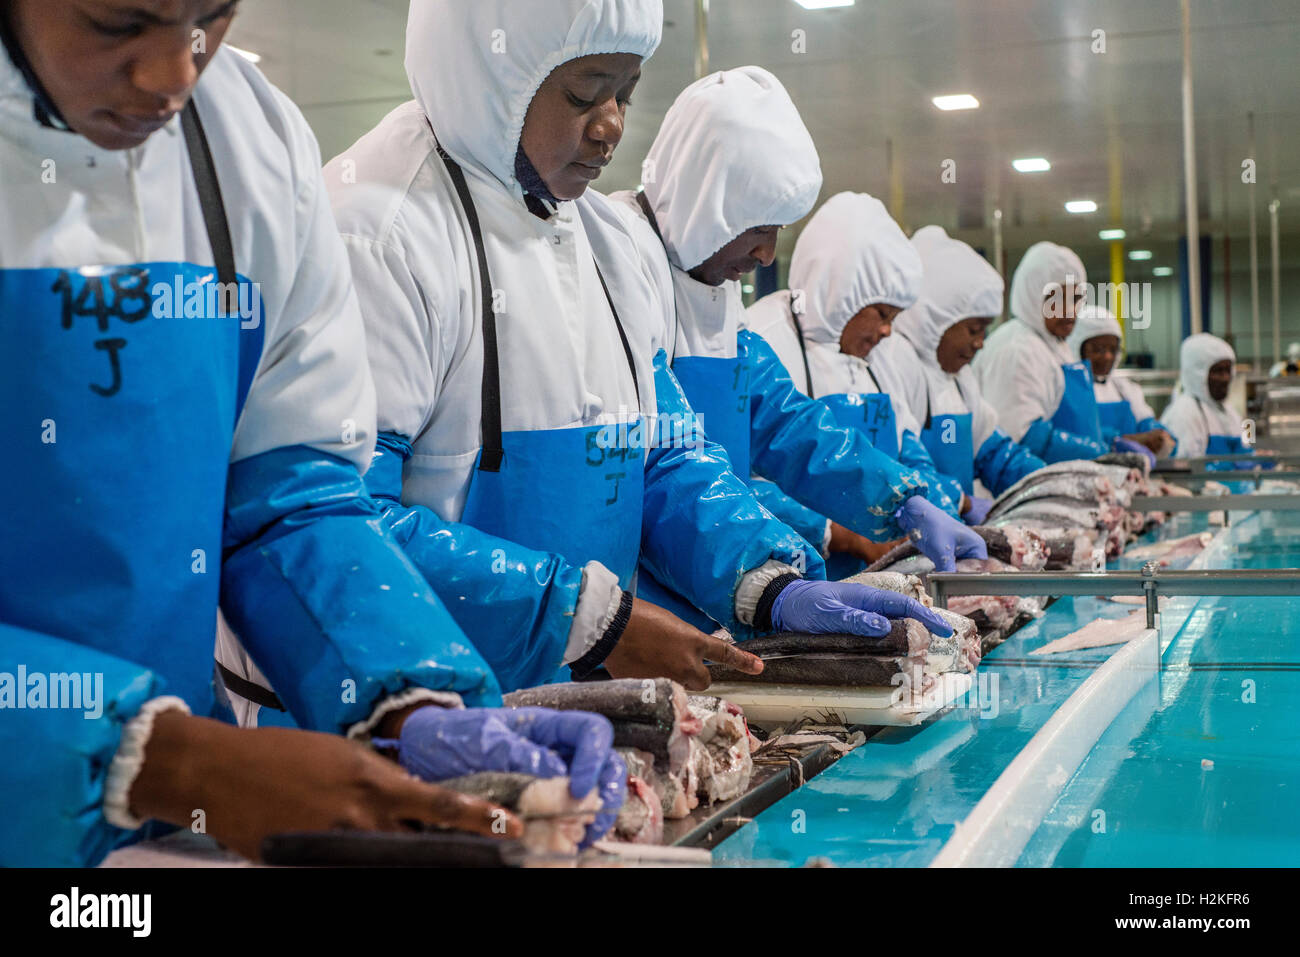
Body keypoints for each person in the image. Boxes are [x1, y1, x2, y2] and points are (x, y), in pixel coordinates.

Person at [0, 0, 629, 865]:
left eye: (210, 17)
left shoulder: (244, 146)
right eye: (117, 23)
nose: (175, 74)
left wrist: (410, 702)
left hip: (163, 836)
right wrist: (155, 759)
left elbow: (289, 501)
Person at [327, 1, 951, 690]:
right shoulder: (377, 233)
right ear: (493, 69)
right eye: (585, 93)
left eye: (626, 93)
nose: (612, 125)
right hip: (405, 719)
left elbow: (662, 456)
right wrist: (580, 618)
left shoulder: (607, 247)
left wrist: (767, 583)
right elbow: (342, 522)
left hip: (580, 705)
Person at [598, 69, 985, 622]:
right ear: (708, 203)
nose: (766, 255)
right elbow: (664, 460)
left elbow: (787, 422)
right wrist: (775, 585)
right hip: (645, 608)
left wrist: (900, 499)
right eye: (759, 228)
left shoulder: (716, 289)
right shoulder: (620, 261)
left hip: (720, 584)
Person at [746, 193, 973, 570]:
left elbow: (909, 449)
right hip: (791, 578)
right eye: (882, 313)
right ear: (840, 292)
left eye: (895, 318)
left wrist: (937, 509)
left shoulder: (878, 360)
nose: (887, 331)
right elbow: (740, 482)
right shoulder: (766, 337)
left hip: (886, 576)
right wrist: (838, 533)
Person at [871, 227, 1047, 518]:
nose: (980, 343)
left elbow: (993, 453)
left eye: (985, 330)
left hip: (957, 543)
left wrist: (1048, 483)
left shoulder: (960, 379)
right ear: (935, 318)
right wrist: (958, 501)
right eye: (973, 330)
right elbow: (895, 467)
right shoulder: (893, 362)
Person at [971, 242, 1111, 463]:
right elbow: (1020, 435)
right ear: (1032, 297)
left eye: (1075, 299)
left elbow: (1073, 423)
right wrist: (1096, 452)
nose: (1070, 311)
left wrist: (1110, 442)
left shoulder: (1055, 345)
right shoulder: (1018, 349)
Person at [1066, 304, 1175, 465]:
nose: (1108, 357)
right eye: (1098, 349)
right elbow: (1075, 439)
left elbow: (1146, 423)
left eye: (1113, 349)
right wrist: (1125, 441)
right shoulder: (1068, 389)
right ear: (1078, 347)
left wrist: (1160, 437)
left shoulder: (1125, 389)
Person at [1161, 334, 1256, 469]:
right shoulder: (1183, 414)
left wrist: (1254, 458)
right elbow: (1183, 471)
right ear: (1197, 373)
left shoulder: (1230, 411)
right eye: (1218, 371)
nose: (1225, 378)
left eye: (1228, 370)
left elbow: (1246, 446)